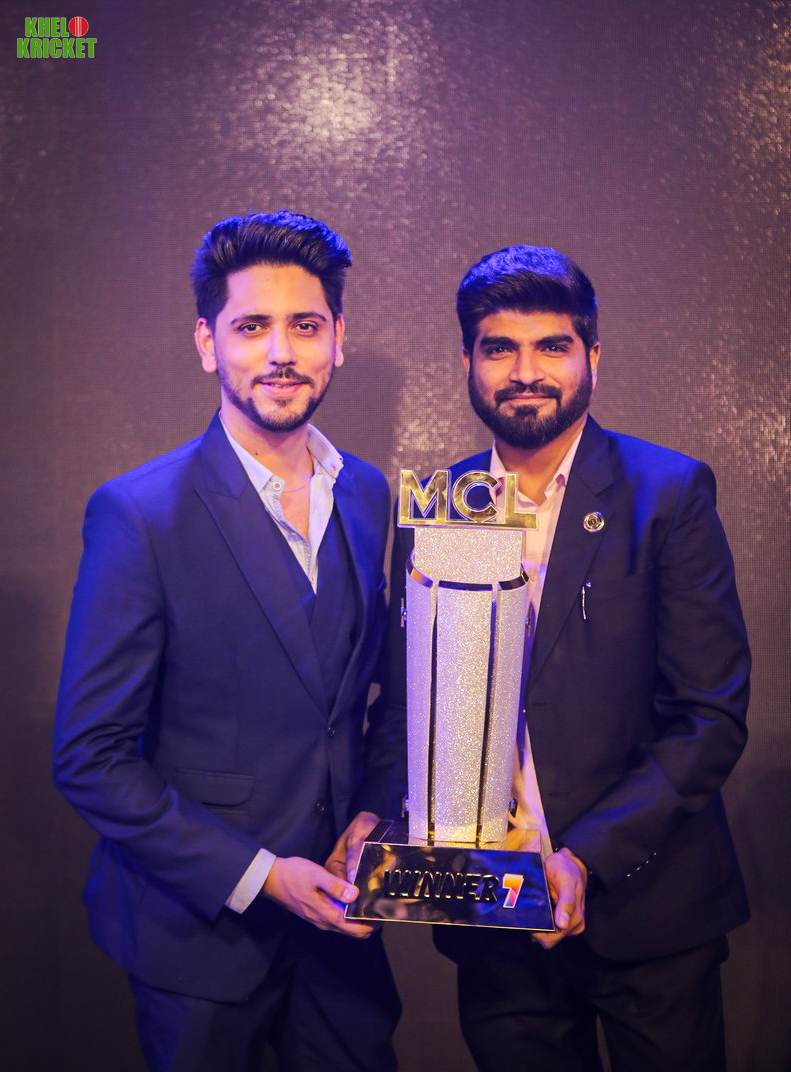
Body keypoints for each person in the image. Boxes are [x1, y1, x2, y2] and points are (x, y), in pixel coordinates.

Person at [382, 245, 750, 1071]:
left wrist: (584, 857)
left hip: (648, 911)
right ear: (467, 362)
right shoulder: (446, 506)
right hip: (493, 912)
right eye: (498, 348)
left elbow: (708, 717)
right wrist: (378, 822)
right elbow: (412, 706)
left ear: (592, 356)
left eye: (551, 346)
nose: (525, 372)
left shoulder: (666, 493)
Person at [53, 211, 404, 1072]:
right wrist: (261, 875)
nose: (281, 352)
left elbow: (374, 698)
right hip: (196, 939)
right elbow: (91, 757)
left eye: (305, 326)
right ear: (208, 344)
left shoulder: (366, 492)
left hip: (341, 930)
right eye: (251, 327)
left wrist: (373, 815)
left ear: (338, 339)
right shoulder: (139, 513)